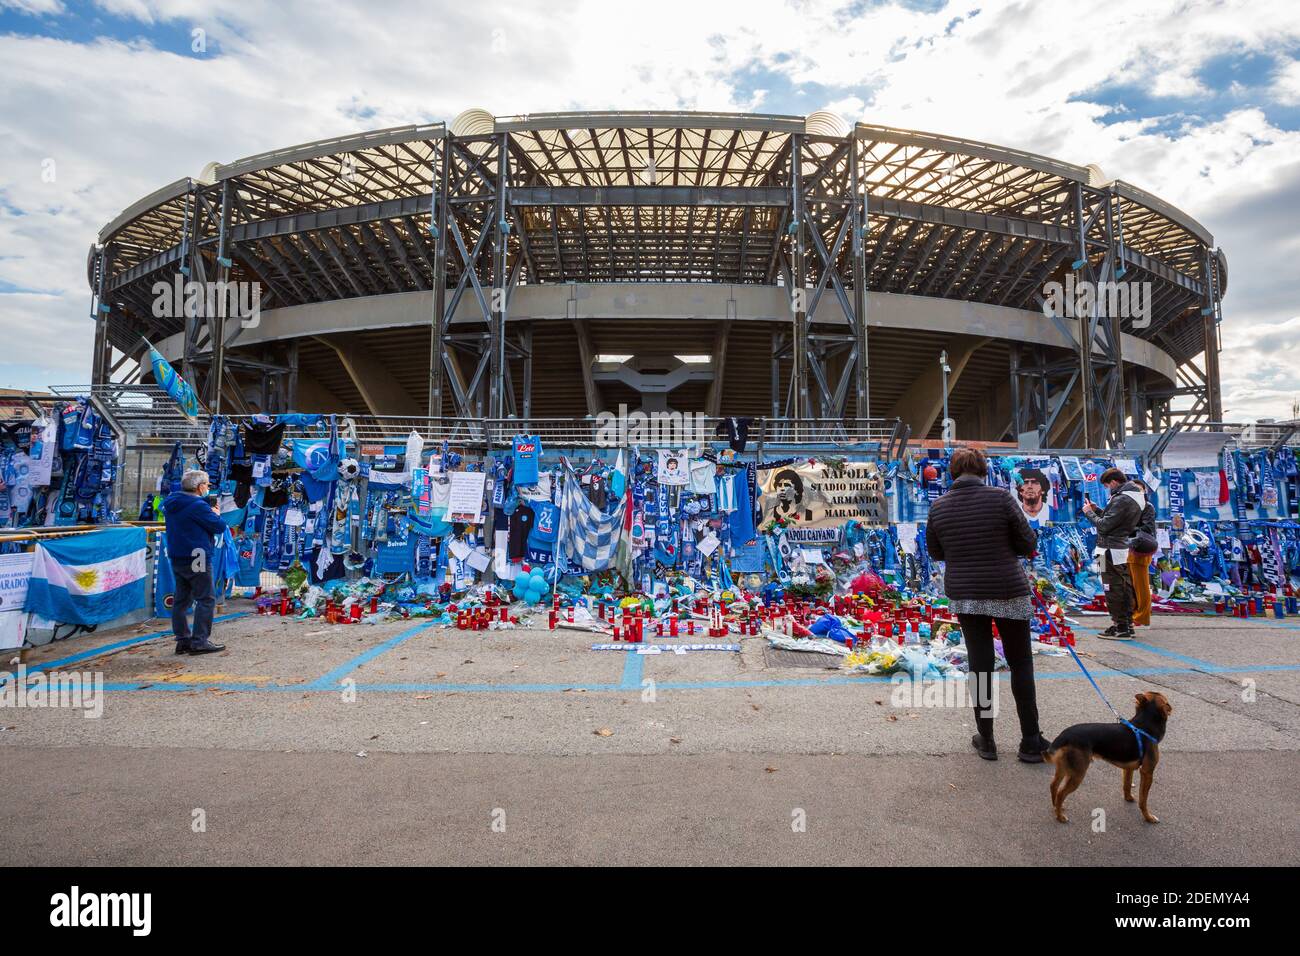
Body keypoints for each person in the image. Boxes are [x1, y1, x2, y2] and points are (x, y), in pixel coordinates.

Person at [926, 447, 1050, 763]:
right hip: (1007, 587)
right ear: (984, 471)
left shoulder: (938, 507)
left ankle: (988, 739)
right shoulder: (1002, 499)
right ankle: (1031, 741)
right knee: (1020, 661)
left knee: (980, 665)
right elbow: (1028, 544)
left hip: (966, 592)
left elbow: (936, 552)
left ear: (952, 473)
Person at [163, 469, 228, 655]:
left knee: (181, 600)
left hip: (178, 555)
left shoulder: (172, 502)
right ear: (200, 487)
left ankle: (183, 639)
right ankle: (200, 640)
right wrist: (215, 513)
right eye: (207, 485)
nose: (208, 488)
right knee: (205, 598)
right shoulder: (197, 506)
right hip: (197, 556)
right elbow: (219, 526)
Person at [1083, 467, 1146, 640]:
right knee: (1121, 585)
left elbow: (1104, 526)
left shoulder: (1122, 499)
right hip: (1114, 549)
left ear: (1113, 482)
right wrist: (1097, 510)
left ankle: (1121, 626)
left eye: (1106, 485)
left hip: (1109, 550)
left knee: (1112, 587)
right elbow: (1112, 520)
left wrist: (1088, 513)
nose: (1107, 489)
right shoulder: (1133, 496)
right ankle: (1125, 623)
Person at [1127, 479, 1157, 628]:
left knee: (1141, 585)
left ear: (1144, 491)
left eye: (1139, 489)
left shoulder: (1147, 507)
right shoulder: (1129, 506)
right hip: (1128, 547)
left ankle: (1142, 616)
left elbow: (1147, 528)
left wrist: (1129, 530)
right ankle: (1133, 613)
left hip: (1140, 548)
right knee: (1131, 583)